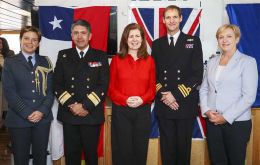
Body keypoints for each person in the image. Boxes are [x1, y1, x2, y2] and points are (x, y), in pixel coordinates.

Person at [151, 5, 203, 165]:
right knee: (167, 150)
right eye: (168, 17)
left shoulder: (192, 41)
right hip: (165, 104)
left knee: (183, 149)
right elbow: (154, 75)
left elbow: (197, 75)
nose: (171, 20)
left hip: (185, 105)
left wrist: (176, 95)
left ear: (181, 18)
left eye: (175, 17)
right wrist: (165, 96)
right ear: (163, 20)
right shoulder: (157, 44)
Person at [199, 24, 258, 165]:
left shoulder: (248, 62)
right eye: (221, 37)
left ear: (237, 39)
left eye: (229, 36)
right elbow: (204, 89)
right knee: (217, 161)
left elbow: (249, 96)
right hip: (213, 121)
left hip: (236, 123)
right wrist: (207, 110)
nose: (224, 40)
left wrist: (225, 117)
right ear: (217, 40)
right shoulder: (212, 62)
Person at [53, 19, 109, 165]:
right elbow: (57, 84)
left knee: (91, 155)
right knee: (71, 156)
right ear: (71, 36)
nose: (80, 36)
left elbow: (103, 85)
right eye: (76, 33)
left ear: (90, 36)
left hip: (91, 114)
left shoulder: (100, 56)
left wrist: (85, 106)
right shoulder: (63, 55)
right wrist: (73, 106)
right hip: (70, 113)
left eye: (83, 33)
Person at [2, 26, 54, 165]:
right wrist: (27, 112)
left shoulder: (46, 61)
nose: (30, 42)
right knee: (20, 159)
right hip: (19, 119)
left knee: (41, 158)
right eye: (26, 38)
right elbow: (9, 92)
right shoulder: (10, 62)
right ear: (20, 40)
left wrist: (42, 111)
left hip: (42, 120)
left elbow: (50, 91)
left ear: (38, 43)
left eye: (34, 40)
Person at [108, 23, 156, 165]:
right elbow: (110, 89)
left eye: (137, 36)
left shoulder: (150, 61)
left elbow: (152, 89)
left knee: (140, 151)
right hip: (121, 112)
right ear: (125, 39)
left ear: (142, 39)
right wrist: (125, 99)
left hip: (143, 112)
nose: (134, 39)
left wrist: (142, 99)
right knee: (122, 152)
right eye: (131, 36)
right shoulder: (116, 60)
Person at [0, 37, 15, 125]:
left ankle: (6, 123)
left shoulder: (10, 53)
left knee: (6, 104)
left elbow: (10, 68)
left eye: (1, 43)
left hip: (7, 82)